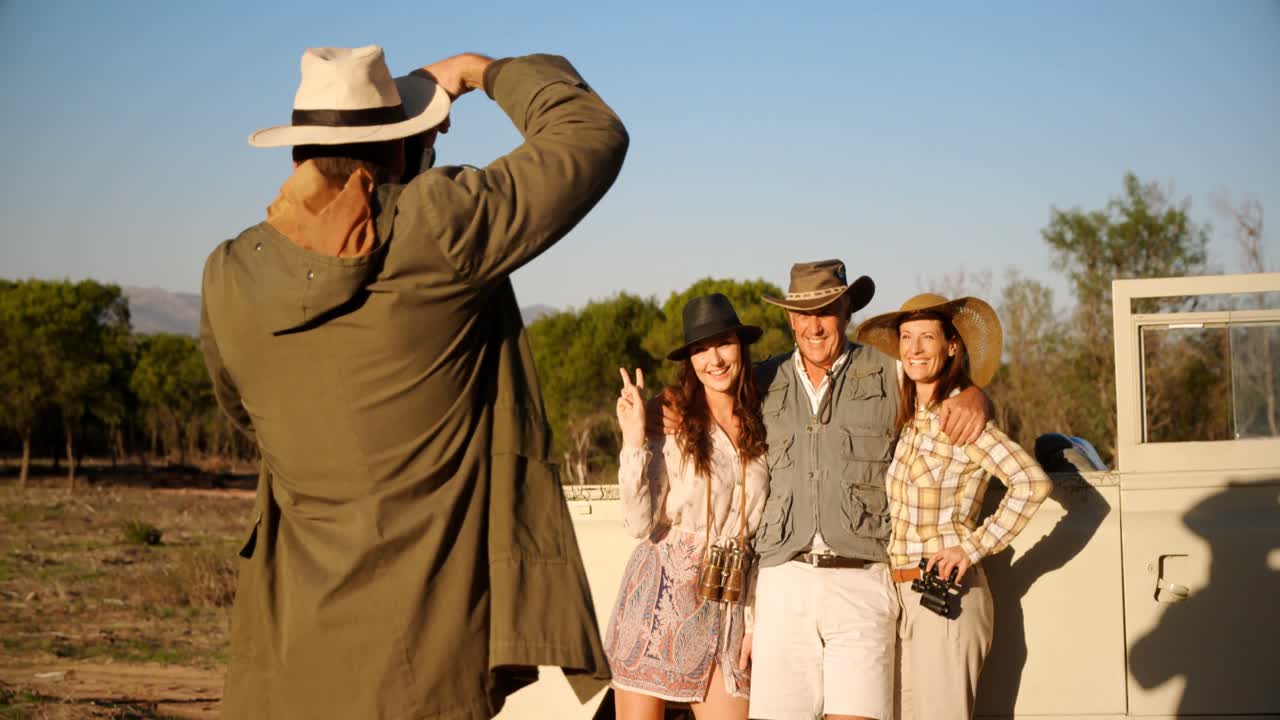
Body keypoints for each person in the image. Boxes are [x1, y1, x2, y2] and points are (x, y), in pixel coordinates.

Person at [199, 45, 628, 719]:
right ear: (399, 154)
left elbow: (243, 410)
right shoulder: (437, 225)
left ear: (295, 156)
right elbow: (590, 135)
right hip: (425, 667)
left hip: (284, 670)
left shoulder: (227, 273)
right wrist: (481, 73)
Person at [660, 261, 990, 720]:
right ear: (790, 320)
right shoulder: (759, 382)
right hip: (781, 585)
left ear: (847, 311)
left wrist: (976, 395)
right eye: (804, 314)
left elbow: (944, 388)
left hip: (864, 583)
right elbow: (701, 391)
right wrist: (666, 412)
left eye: (827, 310)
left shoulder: (890, 374)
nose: (815, 326)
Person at [855, 293, 1052, 720]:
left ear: (952, 346)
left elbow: (1031, 482)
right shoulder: (909, 420)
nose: (915, 349)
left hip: (943, 597)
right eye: (907, 338)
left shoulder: (962, 419)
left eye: (928, 337)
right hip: (900, 595)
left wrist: (973, 548)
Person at [606, 293, 770, 720]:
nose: (714, 358)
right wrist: (634, 438)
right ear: (690, 362)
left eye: (724, 343)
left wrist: (754, 622)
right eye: (700, 349)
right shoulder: (672, 423)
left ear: (741, 348)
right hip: (659, 602)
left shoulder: (767, 418)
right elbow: (639, 523)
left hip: (729, 607)